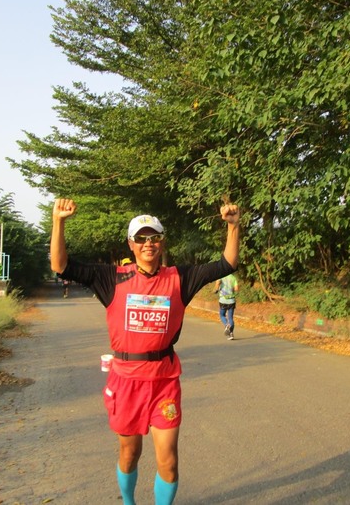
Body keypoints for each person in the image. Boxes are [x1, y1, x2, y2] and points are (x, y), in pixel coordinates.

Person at [50, 198, 240, 505]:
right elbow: (60, 266)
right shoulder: (111, 278)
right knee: (130, 454)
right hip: (125, 382)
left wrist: (233, 225)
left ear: (162, 242)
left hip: (164, 382)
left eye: (154, 237)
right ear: (131, 244)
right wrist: (58, 222)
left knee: (169, 460)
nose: (148, 243)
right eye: (141, 238)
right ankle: (128, 502)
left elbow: (226, 264)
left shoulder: (180, 278)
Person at [214, 273, 239, 340]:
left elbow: (217, 284)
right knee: (230, 317)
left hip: (223, 300)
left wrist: (216, 290)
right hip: (231, 301)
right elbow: (236, 289)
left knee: (222, 315)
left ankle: (226, 324)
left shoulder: (220, 276)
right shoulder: (233, 278)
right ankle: (231, 334)